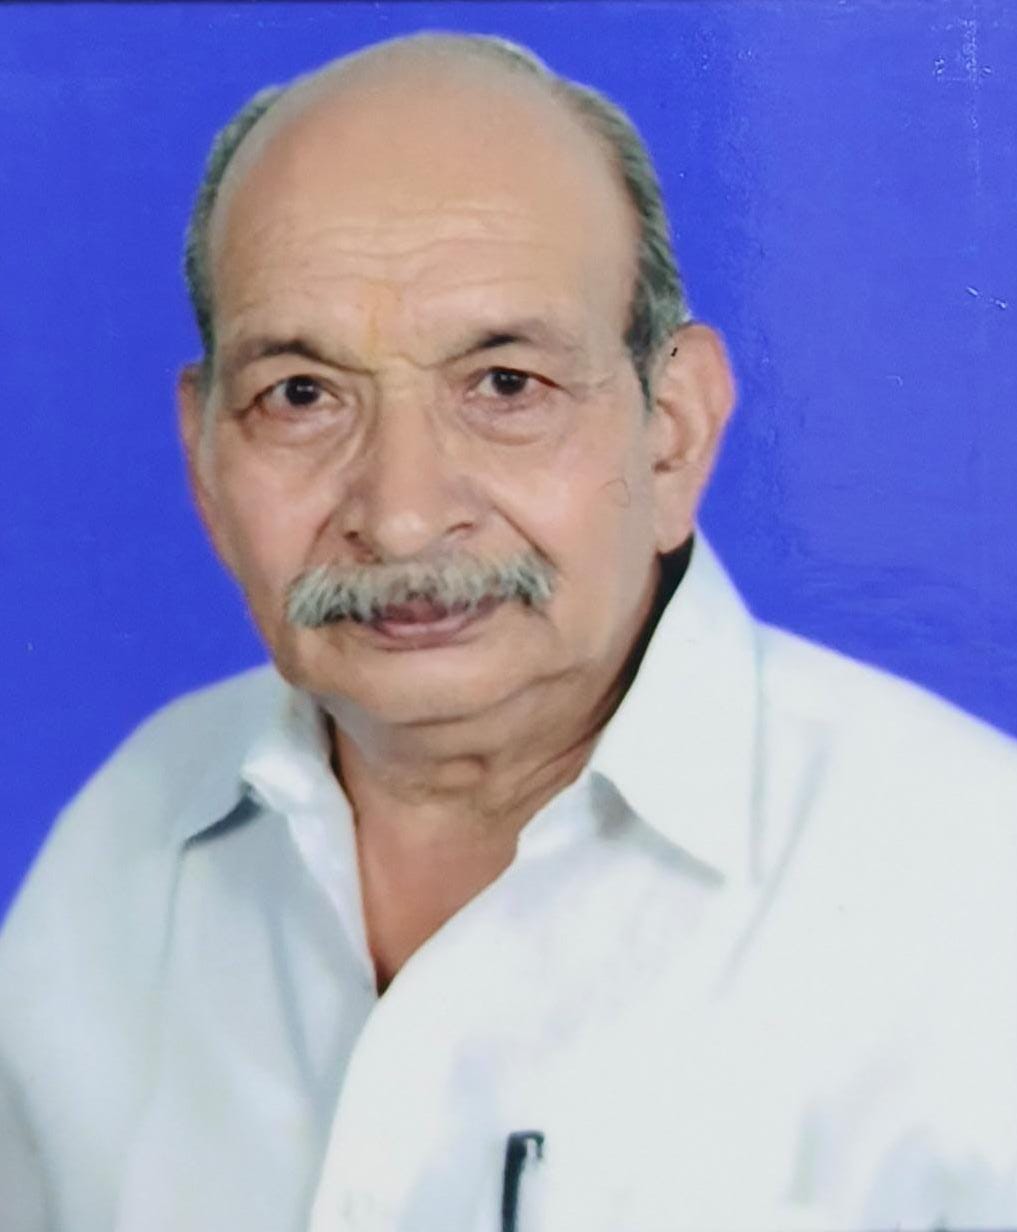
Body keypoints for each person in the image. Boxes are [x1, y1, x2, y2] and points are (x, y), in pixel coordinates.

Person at [1, 30, 1015, 1232]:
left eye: (504, 384)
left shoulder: (972, 902)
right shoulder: (123, 843)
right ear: (205, 457)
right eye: (302, 395)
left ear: (672, 431)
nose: (402, 512)